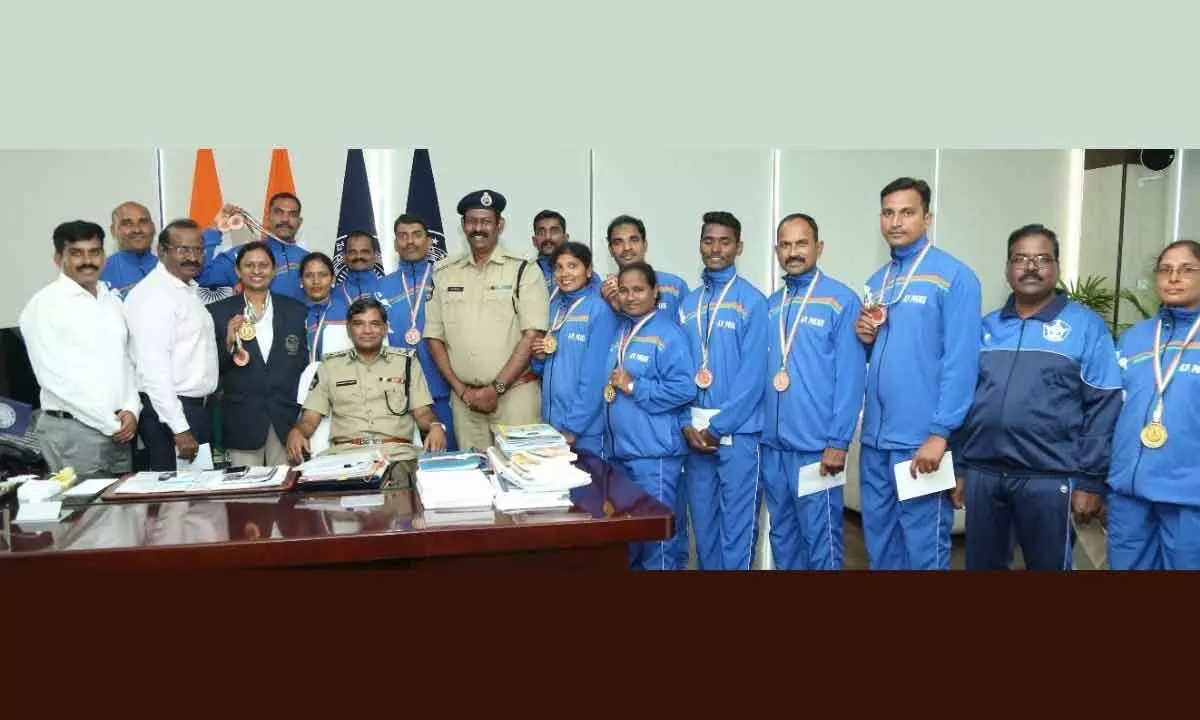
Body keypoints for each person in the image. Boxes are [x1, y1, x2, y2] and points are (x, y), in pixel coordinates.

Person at [952, 224, 1119, 570]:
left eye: (1042, 259)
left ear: (1056, 267)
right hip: (984, 475)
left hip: (1050, 478)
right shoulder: (986, 327)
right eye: (1021, 259)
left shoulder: (1086, 327)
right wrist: (960, 468)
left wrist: (1091, 481)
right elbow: (964, 400)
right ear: (1008, 268)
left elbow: (1103, 407)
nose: (1030, 267)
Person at [854, 177, 982, 570]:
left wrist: (940, 434)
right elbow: (889, 354)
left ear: (927, 217)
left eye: (907, 212)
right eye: (888, 212)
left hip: (920, 441)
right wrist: (866, 339)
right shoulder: (878, 281)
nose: (896, 221)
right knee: (880, 543)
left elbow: (962, 362)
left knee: (924, 547)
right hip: (876, 438)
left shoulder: (955, 276)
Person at [761, 213, 865, 570]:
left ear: (818, 247)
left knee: (822, 540)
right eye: (786, 244)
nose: (793, 252)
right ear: (777, 250)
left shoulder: (841, 301)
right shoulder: (772, 305)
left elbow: (851, 379)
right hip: (773, 447)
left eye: (801, 243)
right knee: (783, 537)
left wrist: (838, 442)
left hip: (817, 450)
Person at [599, 213, 693, 567]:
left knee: (661, 545)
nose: (631, 296)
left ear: (655, 292)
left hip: (655, 456)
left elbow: (684, 388)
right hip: (622, 454)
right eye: (624, 290)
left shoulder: (668, 333)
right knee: (633, 543)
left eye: (639, 290)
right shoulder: (623, 331)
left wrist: (636, 386)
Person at [424, 189, 551, 451]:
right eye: (472, 221)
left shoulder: (524, 269)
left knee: (521, 477)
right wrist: (462, 391)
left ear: (499, 225)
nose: (478, 228)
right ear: (463, 226)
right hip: (465, 403)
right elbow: (434, 338)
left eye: (485, 221)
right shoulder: (445, 273)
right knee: (474, 482)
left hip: (515, 397)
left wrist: (497, 388)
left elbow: (532, 336)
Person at [678, 211, 769, 571]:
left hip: (739, 435)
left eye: (725, 241)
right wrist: (686, 422)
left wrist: (719, 427)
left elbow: (753, 378)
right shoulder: (688, 304)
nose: (715, 248)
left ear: (739, 247)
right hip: (695, 437)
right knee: (704, 528)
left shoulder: (753, 301)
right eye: (708, 240)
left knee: (738, 530)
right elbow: (679, 371)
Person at [19, 220, 141, 476]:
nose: (88, 261)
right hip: (74, 432)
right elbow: (53, 378)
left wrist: (131, 408)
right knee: (82, 515)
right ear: (58, 258)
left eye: (95, 252)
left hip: (120, 429)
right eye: (77, 254)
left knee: (123, 514)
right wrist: (110, 423)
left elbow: (126, 360)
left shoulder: (110, 301)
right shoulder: (44, 306)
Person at [1107, 239, 1200, 570]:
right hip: (1129, 494)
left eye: (1187, 269)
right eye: (1166, 269)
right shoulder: (1135, 338)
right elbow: (1113, 408)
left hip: (1189, 498)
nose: (1174, 277)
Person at [286, 298, 447, 488]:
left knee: (402, 505)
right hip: (344, 458)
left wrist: (435, 425)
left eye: (375, 324)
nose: (367, 331)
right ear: (348, 330)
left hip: (397, 457)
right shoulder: (329, 366)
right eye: (359, 324)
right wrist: (297, 431)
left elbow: (423, 413)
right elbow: (310, 418)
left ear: (385, 328)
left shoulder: (407, 362)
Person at [124, 219, 220, 470]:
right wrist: (180, 429)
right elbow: (154, 371)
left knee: (199, 501)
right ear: (162, 251)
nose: (193, 257)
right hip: (172, 415)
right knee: (178, 503)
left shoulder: (184, 290)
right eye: (183, 250)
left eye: (198, 250)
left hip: (193, 410)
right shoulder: (154, 297)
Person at [207, 241, 309, 467]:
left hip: (286, 420)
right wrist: (229, 343)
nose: (256, 271)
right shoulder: (218, 312)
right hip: (242, 420)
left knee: (287, 494)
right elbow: (212, 370)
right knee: (244, 496)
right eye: (249, 265)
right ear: (237, 271)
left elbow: (303, 365)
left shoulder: (295, 310)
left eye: (263, 265)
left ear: (274, 270)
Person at [530, 242, 620, 456]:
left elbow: (596, 377)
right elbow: (546, 368)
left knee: (588, 488)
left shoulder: (599, 310)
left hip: (585, 430)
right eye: (559, 267)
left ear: (588, 271)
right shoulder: (553, 307)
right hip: (552, 424)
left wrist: (573, 428)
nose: (565, 273)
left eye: (573, 266)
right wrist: (539, 358)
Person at [377, 213, 457, 450]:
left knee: (447, 464)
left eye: (416, 235)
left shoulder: (446, 279)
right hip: (397, 396)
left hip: (444, 392)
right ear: (395, 244)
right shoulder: (382, 287)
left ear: (429, 241)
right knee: (402, 466)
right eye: (402, 236)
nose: (410, 241)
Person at [197, 193, 308, 302]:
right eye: (278, 213)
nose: (285, 219)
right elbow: (201, 277)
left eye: (292, 214)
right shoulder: (242, 256)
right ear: (268, 218)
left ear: (299, 222)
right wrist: (214, 228)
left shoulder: (308, 260)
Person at [601, 214, 690, 316]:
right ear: (611, 250)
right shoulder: (605, 293)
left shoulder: (675, 286)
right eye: (618, 242)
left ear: (645, 245)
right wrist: (614, 309)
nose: (627, 247)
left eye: (634, 240)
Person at [531, 210, 600, 293]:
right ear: (534, 241)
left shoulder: (583, 272)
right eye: (541, 232)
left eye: (554, 231)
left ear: (565, 237)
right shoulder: (526, 271)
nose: (548, 237)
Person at [99, 201, 158, 299]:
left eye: (143, 222)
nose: (137, 230)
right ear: (113, 231)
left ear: (153, 227)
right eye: (127, 224)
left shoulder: (172, 269)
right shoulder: (99, 272)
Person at [299, 252, 336, 362]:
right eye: (309, 275)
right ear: (301, 281)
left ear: (333, 279)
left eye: (323, 275)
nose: (316, 281)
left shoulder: (347, 312)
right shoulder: (292, 314)